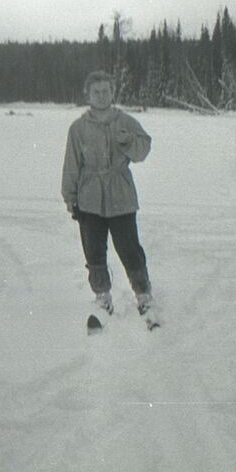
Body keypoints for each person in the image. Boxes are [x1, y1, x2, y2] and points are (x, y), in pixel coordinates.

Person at [61, 70, 155, 317]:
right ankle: (102, 297)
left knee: (129, 248)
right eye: (96, 92)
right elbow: (71, 165)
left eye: (106, 91)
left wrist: (128, 142)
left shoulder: (125, 121)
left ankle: (143, 294)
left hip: (121, 195)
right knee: (93, 250)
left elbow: (142, 151)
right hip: (89, 197)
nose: (101, 96)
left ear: (113, 93)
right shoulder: (78, 128)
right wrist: (70, 197)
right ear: (88, 94)